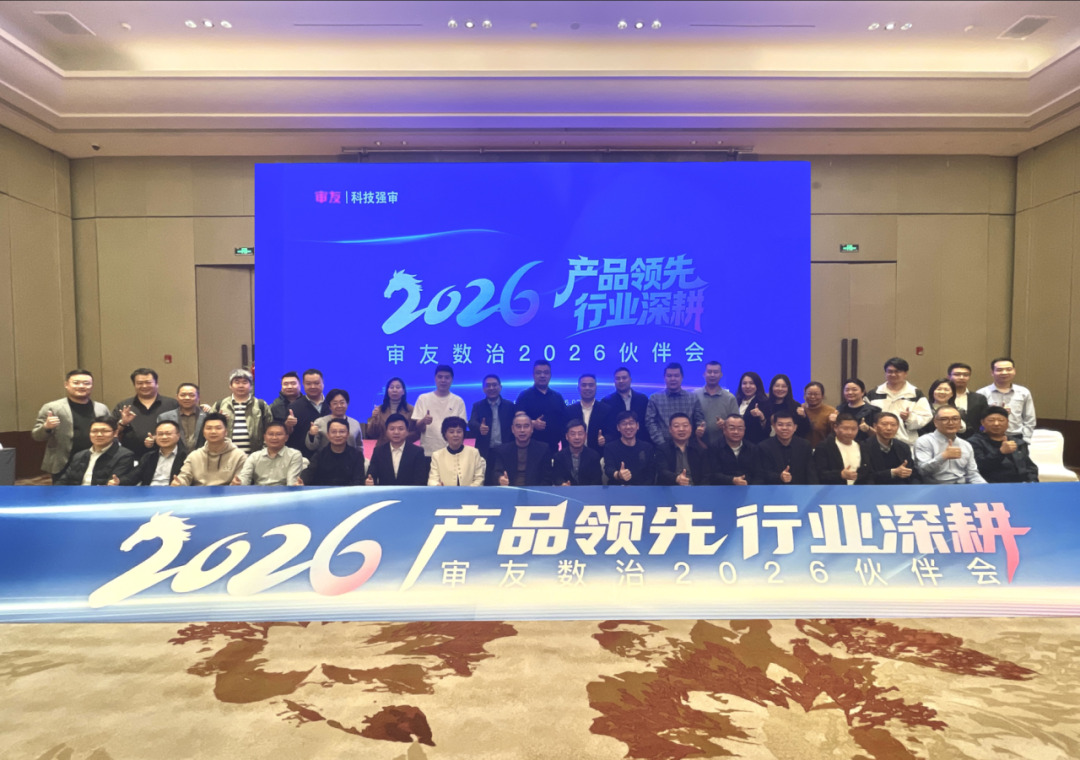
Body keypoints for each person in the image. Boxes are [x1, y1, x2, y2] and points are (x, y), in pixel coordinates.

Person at [32, 368, 111, 483]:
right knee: (62, 493)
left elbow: (110, 432)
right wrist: (47, 427)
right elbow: (37, 436)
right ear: (66, 385)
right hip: (63, 462)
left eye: (86, 383)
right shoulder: (52, 407)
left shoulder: (101, 408)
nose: (81, 386)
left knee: (95, 492)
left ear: (92, 386)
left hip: (96, 460)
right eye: (76, 383)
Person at [867, 358, 932, 447]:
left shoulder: (915, 393)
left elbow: (926, 417)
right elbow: (867, 417)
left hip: (906, 442)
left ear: (906, 373)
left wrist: (909, 418)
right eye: (890, 371)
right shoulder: (874, 393)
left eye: (898, 371)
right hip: (878, 442)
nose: (893, 374)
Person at [913, 405, 986, 485]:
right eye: (944, 419)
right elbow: (922, 471)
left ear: (960, 422)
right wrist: (943, 456)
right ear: (935, 422)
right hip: (936, 487)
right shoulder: (924, 441)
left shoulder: (965, 444)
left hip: (963, 487)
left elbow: (972, 474)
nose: (951, 423)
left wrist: (985, 487)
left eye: (955, 419)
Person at [112, 367, 179, 453]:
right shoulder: (124, 406)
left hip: (165, 455)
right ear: (134, 385)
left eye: (148, 382)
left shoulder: (172, 404)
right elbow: (111, 432)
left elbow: (181, 429)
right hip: (131, 455)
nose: (144, 386)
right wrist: (123, 423)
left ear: (156, 383)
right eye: (139, 383)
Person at [172, 413, 247, 486]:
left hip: (227, 493)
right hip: (200, 493)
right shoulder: (194, 456)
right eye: (208, 428)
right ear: (203, 433)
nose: (213, 431)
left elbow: (241, 479)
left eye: (218, 428)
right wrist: (179, 483)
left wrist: (237, 484)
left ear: (226, 432)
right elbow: (184, 477)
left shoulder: (239, 456)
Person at [56, 417, 135, 485]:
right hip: (75, 495)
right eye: (94, 431)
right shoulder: (79, 455)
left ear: (115, 433)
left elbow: (112, 484)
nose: (99, 434)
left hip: (102, 496)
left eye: (104, 431)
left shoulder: (124, 455)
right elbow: (64, 480)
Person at [412, 365, 468, 461]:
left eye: (447, 377)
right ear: (435, 378)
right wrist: (424, 421)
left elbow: (462, 427)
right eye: (440, 377)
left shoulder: (458, 401)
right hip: (429, 451)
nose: (443, 380)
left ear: (452, 380)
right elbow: (417, 427)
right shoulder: (423, 398)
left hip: (452, 451)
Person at [970, 406, 1039, 483]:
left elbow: (1029, 467)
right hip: (991, 485)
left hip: (1020, 485)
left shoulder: (1018, 442)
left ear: (1007, 422)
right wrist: (1001, 452)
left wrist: (1032, 482)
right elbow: (979, 467)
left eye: (1001, 420)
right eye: (991, 420)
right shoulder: (974, 442)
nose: (996, 424)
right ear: (982, 422)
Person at [212, 369, 272, 455]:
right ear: (230, 386)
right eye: (237, 382)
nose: (241, 385)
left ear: (251, 386)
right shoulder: (220, 405)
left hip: (255, 456)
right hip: (226, 456)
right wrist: (219, 420)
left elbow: (270, 430)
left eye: (245, 382)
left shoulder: (260, 405)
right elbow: (209, 429)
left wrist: (263, 453)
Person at [977, 357, 1036, 443]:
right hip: (988, 438)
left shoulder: (1023, 392)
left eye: (1008, 369)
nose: (1004, 372)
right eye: (999, 370)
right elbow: (978, 418)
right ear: (992, 372)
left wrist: (1025, 439)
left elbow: (1029, 418)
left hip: (1016, 436)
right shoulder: (982, 393)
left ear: (1014, 371)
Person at [645, 362, 705, 446]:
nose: (673, 379)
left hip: (689, 446)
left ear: (682, 377)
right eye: (669, 376)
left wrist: (700, 428)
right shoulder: (655, 398)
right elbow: (650, 423)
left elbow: (699, 420)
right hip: (663, 445)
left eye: (676, 376)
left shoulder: (692, 398)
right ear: (664, 377)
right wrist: (663, 444)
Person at [468, 374, 517, 472]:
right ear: (483, 389)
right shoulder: (478, 406)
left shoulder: (509, 405)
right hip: (486, 451)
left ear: (500, 387)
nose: (491, 388)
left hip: (506, 450)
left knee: (505, 478)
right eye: (488, 385)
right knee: (486, 479)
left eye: (494, 385)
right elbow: (471, 422)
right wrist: (479, 427)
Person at [515, 360, 566, 453]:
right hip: (530, 449)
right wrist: (532, 423)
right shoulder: (524, 396)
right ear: (533, 375)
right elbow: (518, 418)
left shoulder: (557, 397)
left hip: (553, 448)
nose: (542, 376)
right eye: (538, 373)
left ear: (550, 375)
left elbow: (565, 421)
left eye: (546, 373)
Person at [234, 420, 305, 486]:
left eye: (279, 434)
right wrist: (239, 483)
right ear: (264, 437)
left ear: (286, 437)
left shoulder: (294, 455)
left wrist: (295, 486)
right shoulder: (254, 456)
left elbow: (292, 482)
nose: (274, 437)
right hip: (259, 492)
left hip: (283, 493)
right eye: (270, 434)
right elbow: (245, 478)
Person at [366, 413, 429, 486]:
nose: (396, 432)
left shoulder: (417, 452)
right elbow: (371, 475)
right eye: (392, 429)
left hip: (409, 492)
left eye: (401, 429)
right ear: (386, 432)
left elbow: (420, 479)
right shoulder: (378, 451)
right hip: (385, 492)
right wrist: (370, 481)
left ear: (407, 431)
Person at [494, 411, 554, 486]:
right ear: (512, 429)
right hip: (510, 489)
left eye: (526, 426)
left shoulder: (543, 449)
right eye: (518, 426)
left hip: (534, 490)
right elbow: (497, 472)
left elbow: (547, 479)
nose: (522, 430)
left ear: (532, 428)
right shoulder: (503, 449)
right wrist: (500, 478)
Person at [299, 418, 366, 486]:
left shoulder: (357, 455)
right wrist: (302, 481)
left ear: (348, 434)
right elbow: (309, 472)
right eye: (333, 432)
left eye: (342, 432)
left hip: (348, 491)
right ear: (328, 435)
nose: (337, 435)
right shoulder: (320, 454)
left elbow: (358, 479)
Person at [758, 409, 818, 485]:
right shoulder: (764, 447)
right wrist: (779, 476)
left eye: (789, 425)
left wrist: (814, 490)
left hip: (799, 488)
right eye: (780, 424)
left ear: (795, 427)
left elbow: (811, 472)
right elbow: (764, 473)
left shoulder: (805, 445)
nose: (784, 428)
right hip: (775, 488)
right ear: (774, 426)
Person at [121, 419, 188, 486]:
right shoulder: (149, 457)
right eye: (160, 434)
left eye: (168, 433)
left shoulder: (186, 457)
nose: (164, 437)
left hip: (173, 490)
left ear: (178, 435)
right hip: (149, 490)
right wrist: (118, 481)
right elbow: (133, 477)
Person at [861, 412, 920, 485]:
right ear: (875, 426)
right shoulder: (864, 447)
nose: (889, 428)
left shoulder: (903, 446)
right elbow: (866, 476)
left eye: (893, 425)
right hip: (876, 488)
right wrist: (892, 472)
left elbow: (913, 474)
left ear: (898, 427)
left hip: (902, 487)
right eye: (884, 424)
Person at [814, 413, 871, 485]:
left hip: (859, 488)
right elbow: (819, 473)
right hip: (834, 488)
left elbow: (869, 473)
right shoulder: (824, 446)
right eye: (845, 428)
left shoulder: (862, 446)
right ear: (835, 427)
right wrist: (840, 474)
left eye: (854, 429)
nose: (850, 432)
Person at [565, 373, 614, 456]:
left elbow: (613, 433)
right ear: (578, 388)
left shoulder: (606, 409)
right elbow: (564, 435)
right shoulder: (569, 410)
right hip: (574, 455)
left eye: (591, 385)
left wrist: (605, 439)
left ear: (596, 388)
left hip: (599, 455)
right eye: (584, 385)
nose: (587, 388)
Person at [707, 414, 764, 485]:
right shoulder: (714, 448)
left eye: (740, 428)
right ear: (724, 429)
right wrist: (732, 480)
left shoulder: (752, 448)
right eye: (732, 428)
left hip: (749, 487)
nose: (736, 432)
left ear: (744, 429)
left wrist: (752, 488)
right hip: (724, 488)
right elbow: (714, 474)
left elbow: (759, 474)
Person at [428, 416, 486, 486]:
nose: (455, 435)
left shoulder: (474, 453)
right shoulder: (437, 455)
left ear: (464, 433)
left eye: (459, 431)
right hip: (445, 492)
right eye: (451, 432)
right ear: (445, 434)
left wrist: (469, 491)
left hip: (470, 492)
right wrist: (437, 485)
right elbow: (432, 480)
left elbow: (479, 479)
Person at [694, 360, 739, 448]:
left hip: (723, 446)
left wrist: (726, 424)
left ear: (721, 375)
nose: (712, 375)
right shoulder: (694, 395)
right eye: (709, 372)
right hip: (697, 446)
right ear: (704, 374)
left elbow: (737, 422)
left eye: (716, 372)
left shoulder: (730, 398)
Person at [603, 411, 656, 485]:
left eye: (631, 423)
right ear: (618, 427)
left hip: (642, 489)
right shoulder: (610, 447)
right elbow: (609, 468)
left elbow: (651, 475)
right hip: (618, 489)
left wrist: (642, 490)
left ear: (637, 426)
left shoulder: (647, 447)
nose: (628, 427)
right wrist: (618, 475)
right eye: (624, 423)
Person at [655, 412, 708, 486]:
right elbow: (662, 471)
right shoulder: (662, 449)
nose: (681, 429)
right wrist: (676, 478)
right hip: (670, 489)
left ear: (691, 428)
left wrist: (699, 491)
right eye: (676, 426)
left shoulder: (699, 449)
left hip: (694, 489)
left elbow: (706, 476)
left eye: (685, 426)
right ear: (670, 429)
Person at [285, 369, 330, 451]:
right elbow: (288, 433)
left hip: (329, 454)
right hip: (303, 455)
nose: (313, 386)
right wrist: (288, 425)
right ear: (303, 384)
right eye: (308, 383)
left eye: (316, 383)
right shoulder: (294, 406)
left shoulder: (331, 404)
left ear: (323, 383)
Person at [365, 377, 416, 445]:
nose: (394, 390)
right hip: (383, 448)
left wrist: (400, 438)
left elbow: (416, 432)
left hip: (404, 447)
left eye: (398, 387)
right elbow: (372, 434)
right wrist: (375, 420)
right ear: (387, 391)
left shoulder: (411, 410)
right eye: (391, 387)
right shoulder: (379, 410)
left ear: (403, 391)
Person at [157, 383, 206, 452]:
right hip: (174, 457)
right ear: (177, 397)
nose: (187, 398)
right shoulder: (165, 417)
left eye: (191, 395)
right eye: (183, 395)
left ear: (199, 397)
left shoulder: (207, 416)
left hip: (201, 456)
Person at [552, 419, 603, 486]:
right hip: (567, 491)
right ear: (567, 436)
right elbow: (557, 477)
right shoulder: (559, 456)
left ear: (585, 436)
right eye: (573, 434)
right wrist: (562, 484)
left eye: (580, 434)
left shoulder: (594, 456)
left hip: (588, 491)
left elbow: (597, 480)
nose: (577, 437)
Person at [947, 363, 989, 440]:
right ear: (949, 377)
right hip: (947, 438)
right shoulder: (943, 397)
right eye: (957, 374)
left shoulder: (979, 398)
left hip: (974, 439)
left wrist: (981, 433)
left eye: (965, 375)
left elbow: (985, 420)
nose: (961, 377)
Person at [734, 372, 772, 445]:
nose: (747, 386)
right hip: (737, 443)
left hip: (754, 445)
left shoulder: (764, 402)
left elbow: (768, 430)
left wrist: (761, 417)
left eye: (751, 383)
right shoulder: (736, 401)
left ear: (757, 385)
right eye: (744, 383)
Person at [768, 374, 810, 438]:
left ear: (788, 388)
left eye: (784, 386)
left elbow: (805, 430)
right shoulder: (765, 404)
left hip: (791, 442)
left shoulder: (795, 406)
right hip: (768, 442)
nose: (780, 389)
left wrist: (803, 417)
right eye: (777, 386)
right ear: (772, 387)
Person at [801, 382, 836, 448]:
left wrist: (835, 423)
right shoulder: (800, 409)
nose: (812, 396)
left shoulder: (830, 411)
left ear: (822, 395)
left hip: (822, 450)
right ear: (805, 395)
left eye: (816, 394)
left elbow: (835, 435)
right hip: (802, 450)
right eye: (809, 393)